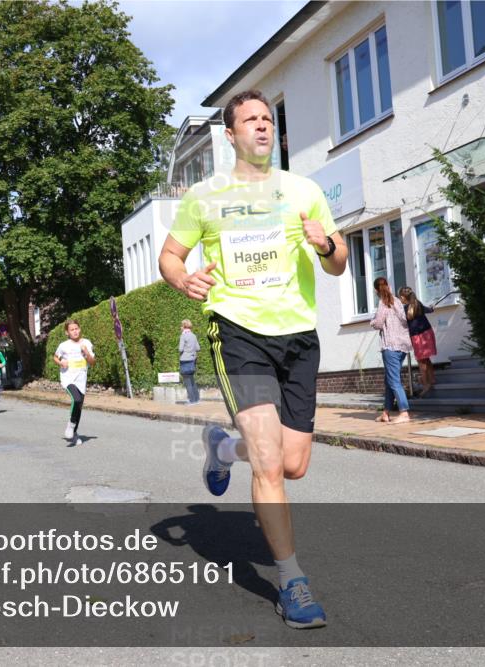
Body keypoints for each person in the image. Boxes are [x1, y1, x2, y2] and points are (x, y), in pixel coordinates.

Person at [159, 90, 347, 629]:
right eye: (251, 120)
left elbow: (337, 263)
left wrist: (326, 244)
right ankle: (292, 582)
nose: (263, 127)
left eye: (269, 119)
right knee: (268, 464)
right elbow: (170, 256)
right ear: (231, 134)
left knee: (293, 464)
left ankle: (221, 447)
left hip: (299, 338)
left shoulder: (304, 190)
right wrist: (183, 277)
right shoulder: (204, 196)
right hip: (237, 333)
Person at [371, 277, 413, 424]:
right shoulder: (397, 301)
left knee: (394, 380)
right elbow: (403, 319)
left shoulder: (383, 303)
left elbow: (378, 323)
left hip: (390, 345)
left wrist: (372, 321)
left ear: (376, 290)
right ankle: (386, 412)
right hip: (403, 345)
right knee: (389, 379)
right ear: (388, 286)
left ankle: (404, 412)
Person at [53, 319, 95, 443]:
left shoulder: (86, 343)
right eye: (72, 330)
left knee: (79, 406)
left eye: (76, 328)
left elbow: (92, 363)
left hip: (81, 379)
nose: (75, 331)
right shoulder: (63, 345)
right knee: (76, 399)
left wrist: (86, 352)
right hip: (68, 378)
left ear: (80, 329)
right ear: (67, 332)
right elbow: (55, 357)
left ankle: (74, 433)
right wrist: (61, 362)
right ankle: (71, 425)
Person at [398, 286, 438, 396]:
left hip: (417, 337)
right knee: (426, 358)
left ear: (402, 297)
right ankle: (432, 379)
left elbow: (402, 322)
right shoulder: (417, 303)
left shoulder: (405, 309)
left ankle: (426, 385)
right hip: (427, 333)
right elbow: (429, 310)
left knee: (421, 361)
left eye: (399, 298)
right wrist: (432, 308)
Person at [179, 319, 201, 405]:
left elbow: (180, 349)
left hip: (185, 360)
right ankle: (197, 399)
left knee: (187, 381)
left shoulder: (183, 336)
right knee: (192, 380)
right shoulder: (193, 335)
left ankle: (192, 400)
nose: (180, 327)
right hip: (192, 359)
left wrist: (185, 351)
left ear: (184, 326)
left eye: (181, 325)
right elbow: (198, 348)